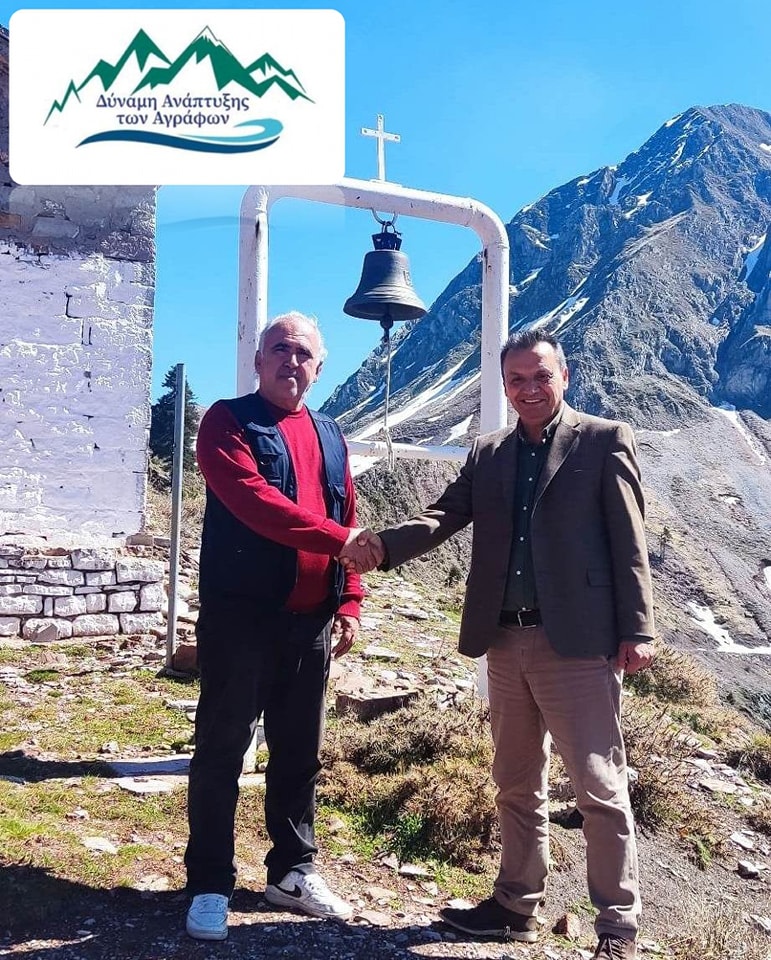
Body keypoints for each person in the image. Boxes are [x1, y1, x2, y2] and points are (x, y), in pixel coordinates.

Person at [341, 329, 655, 960]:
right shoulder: (488, 454)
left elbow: (630, 540)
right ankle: (514, 906)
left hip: (579, 645)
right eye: (516, 380)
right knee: (515, 781)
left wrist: (638, 629)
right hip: (504, 642)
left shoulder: (603, 440)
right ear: (505, 386)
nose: (529, 389)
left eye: (541, 376)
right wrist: (382, 545)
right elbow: (443, 515)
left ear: (564, 376)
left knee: (599, 789)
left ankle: (618, 928)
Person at [184, 311, 366, 941]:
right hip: (242, 619)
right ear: (259, 361)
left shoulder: (332, 434)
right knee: (221, 750)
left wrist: (349, 599)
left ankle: (292, 870)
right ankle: (210, 881)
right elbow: (255, 503)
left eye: (304, 353)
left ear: (320, 367)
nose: (292, 360)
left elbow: (346, 508)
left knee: (299, 753)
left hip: (310, 622)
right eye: (279, 349)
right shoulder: (227, 422)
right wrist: (342, 541)